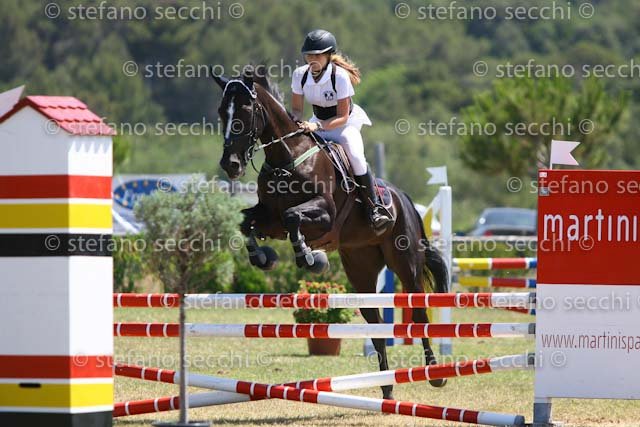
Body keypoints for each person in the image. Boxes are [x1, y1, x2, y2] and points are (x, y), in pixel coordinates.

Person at [291, 29, 392, 231]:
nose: (312, 60)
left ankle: (374, 208)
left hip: (344, 125)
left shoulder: (340, 76)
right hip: (316, 121)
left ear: (329, 55)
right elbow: (296, 110)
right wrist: (296, 122)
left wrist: (316, 126)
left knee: (355, 155)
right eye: (309, 55)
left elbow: (343, 116)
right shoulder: (300, 75)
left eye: (317, 55)